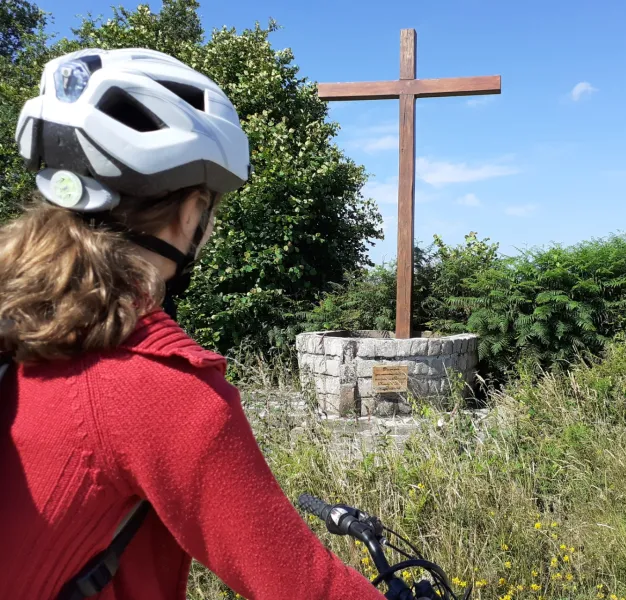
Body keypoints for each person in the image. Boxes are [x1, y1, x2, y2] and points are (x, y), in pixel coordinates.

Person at [0, 48, 385, 600]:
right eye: (213, 211)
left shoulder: (20, 333)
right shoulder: (160, 392)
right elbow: (305, 587)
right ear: (191, 212)